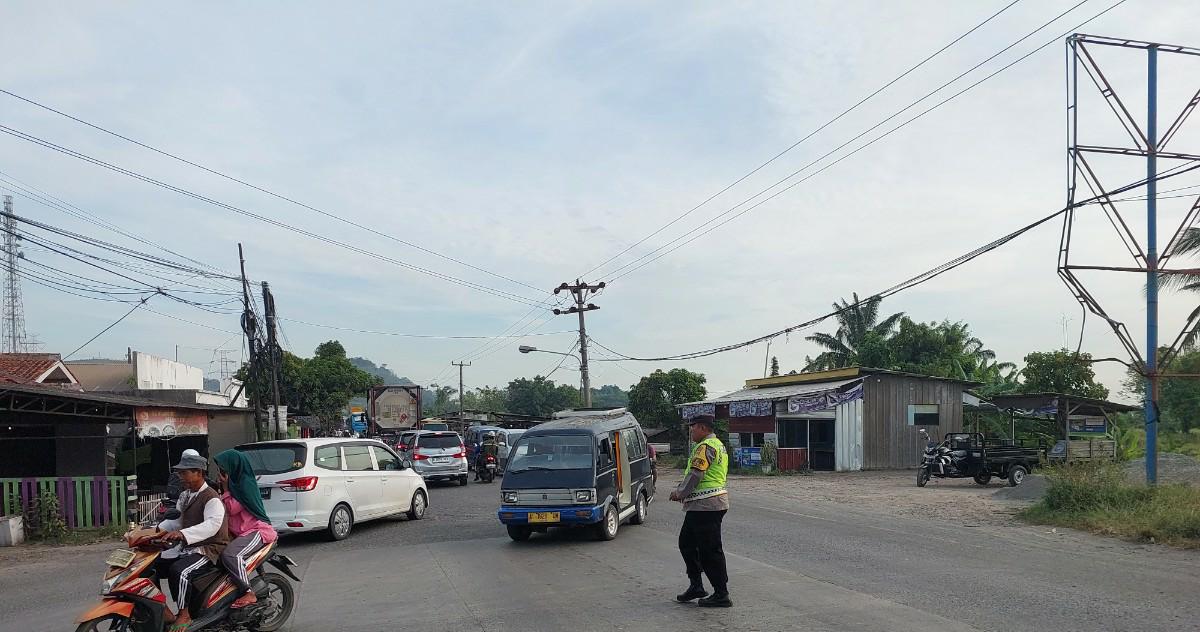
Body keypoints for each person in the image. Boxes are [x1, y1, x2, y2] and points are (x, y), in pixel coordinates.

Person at [157, 452, 230, 630]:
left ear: (198, 472)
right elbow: (177, 521)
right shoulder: (185, 495)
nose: (181, 477)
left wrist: (182, 534)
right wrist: (155, 531)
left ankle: (184, 615)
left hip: (209, 548)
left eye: (184, 473)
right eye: (180, 473)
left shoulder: (211, 497)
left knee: (179, 571)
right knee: (153, 566)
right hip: (189, 547)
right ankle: (164, 611)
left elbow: (211, 526)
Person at [669, 414, 731, 608]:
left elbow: (696, 474)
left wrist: (680, 493)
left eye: (693, 426)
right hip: (702, 505)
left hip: (707, 506)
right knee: (687, 544)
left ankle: (721, 594)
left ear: (703, 428)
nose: (691, 430)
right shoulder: (717, 445)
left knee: (710, 550)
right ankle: (696, 585)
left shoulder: (706, 447)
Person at [214, 450, 278, 609]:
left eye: (223, 470)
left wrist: (225, 488)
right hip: (240, 533)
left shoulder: (244, 484)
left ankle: (248, 591)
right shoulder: (235, 484)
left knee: (230, 555)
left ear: (233, 467)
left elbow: (231, 509)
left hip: (257, 530)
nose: (221, 474)